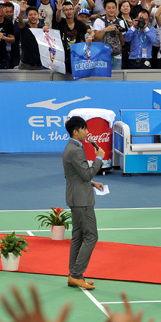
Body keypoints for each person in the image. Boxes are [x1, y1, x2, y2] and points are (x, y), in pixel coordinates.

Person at [63, 115, 105, 290]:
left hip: (75, 196)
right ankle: (77, 274)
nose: (87, 132)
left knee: (78, 237)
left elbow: (75, 175)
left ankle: (73, 274)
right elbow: (87, 173)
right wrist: (99, 159)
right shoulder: (76, 150)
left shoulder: (70, 148)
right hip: (82, 201)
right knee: (91, 236)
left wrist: (91, 183)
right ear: (76, 131)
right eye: (84, 129)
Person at [56, 0, 93, 71]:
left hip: (77, 56)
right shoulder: (62, 22)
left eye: (70, 9)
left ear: (74, 10)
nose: (69, 12)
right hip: (65, 56)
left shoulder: (79, 23)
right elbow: (58, 19)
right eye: (66, 10)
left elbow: (91, 32)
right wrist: (58, 10)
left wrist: (90, 37)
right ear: (63, 12)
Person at [95, 0, 127, 69]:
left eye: (113, 8)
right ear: (104, 10)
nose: (111, 10)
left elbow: (123, 42)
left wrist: (119, 33)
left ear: (116, 9)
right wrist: (105, 30)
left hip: (117, 56)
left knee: (116, 79)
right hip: (102, 56)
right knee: (103, 79)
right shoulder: (99, 21)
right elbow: (96, 39)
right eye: (109, 8)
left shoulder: (120, 22)